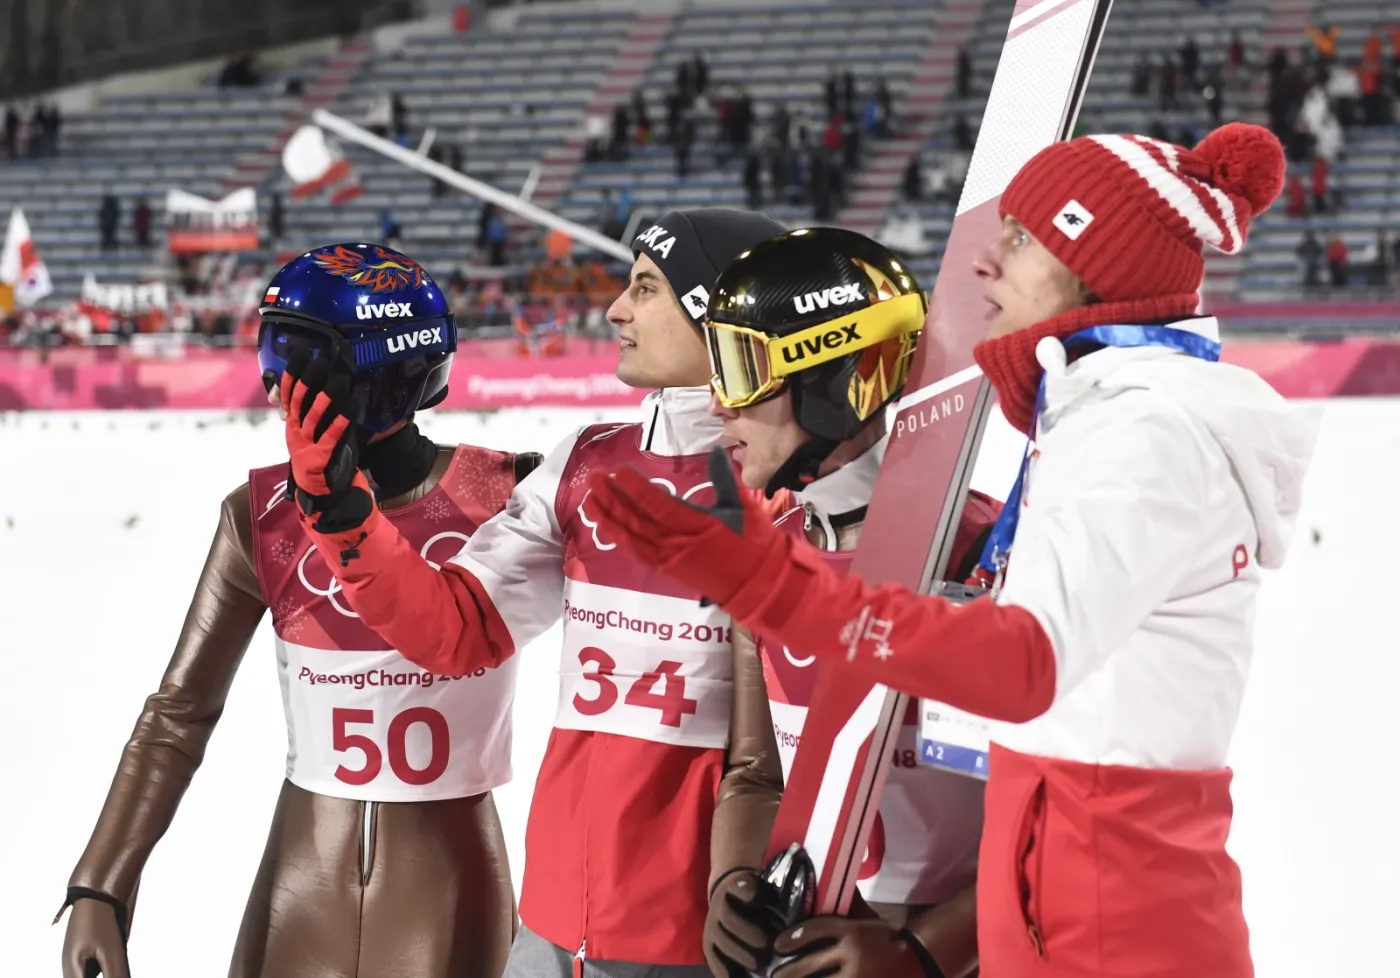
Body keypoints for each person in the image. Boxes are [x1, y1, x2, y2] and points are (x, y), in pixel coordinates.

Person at [581, 123, 1319, 977]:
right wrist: (737, 880)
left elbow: (1017, 669)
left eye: (1022, 238)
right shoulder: (1091, 424)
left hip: (1105, 921)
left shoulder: (1144, 434)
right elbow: (774, 769)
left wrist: (927, 950)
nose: (983, 264)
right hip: (1049, 910)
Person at [281, 209, 790, 977]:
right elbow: (454, 631)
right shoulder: (587, 465)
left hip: (705, 938)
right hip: (550, 931)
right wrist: (344, 515)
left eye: (646, 289)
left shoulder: (786, 496)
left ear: (719, 311)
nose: (615, 309)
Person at [58, 244, 539, 978]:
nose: (276, 379)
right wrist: (102, 881)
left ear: (378, 370)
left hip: (449, 887)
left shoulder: (506, 497)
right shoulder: (260, 515)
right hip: (298, 886)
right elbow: (178, 712)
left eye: (299, 355)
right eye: (272, 348)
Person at [693, 228, 998, 978]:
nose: (715, 405)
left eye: (740, 368)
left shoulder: (984, 552)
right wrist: (730, 879)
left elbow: (1056, 804)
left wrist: (927, 952)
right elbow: (759, 771)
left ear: (831, 380)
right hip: (815, 951)